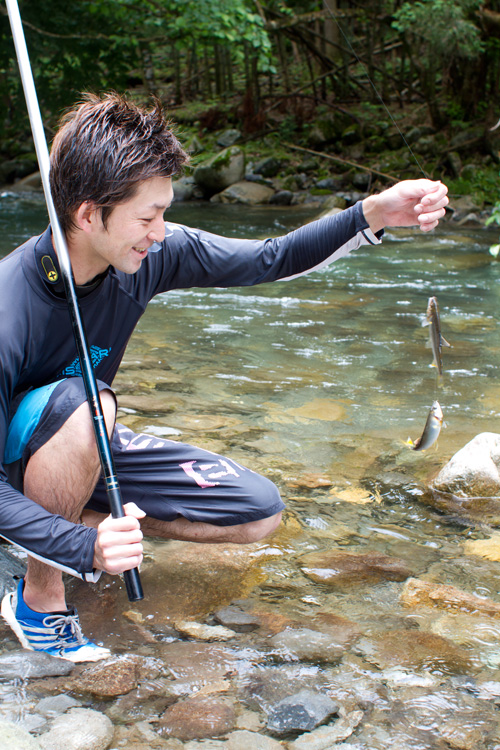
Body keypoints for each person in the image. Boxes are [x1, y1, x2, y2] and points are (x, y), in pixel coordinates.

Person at [0, 92, 449, 662]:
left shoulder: (150, 255)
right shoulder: (8, 309)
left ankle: (55, 515)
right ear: (89, 215)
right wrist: (81, 546)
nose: (160, 232)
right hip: (19, 457)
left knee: (258, 511)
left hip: (83, 442)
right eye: (147, 217)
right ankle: (38, 600)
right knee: (87, 406)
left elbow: (271, 258)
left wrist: (373, 215)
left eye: (164, 212)